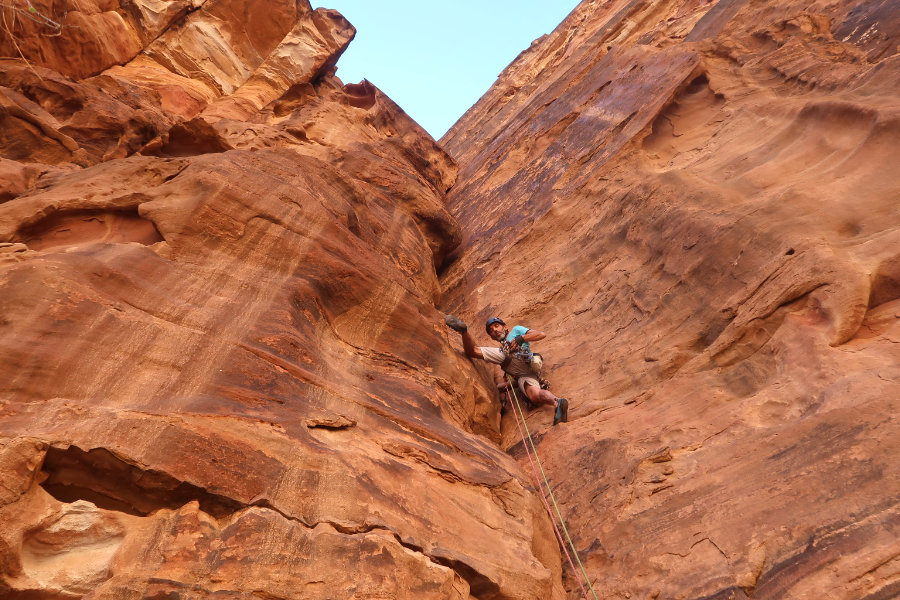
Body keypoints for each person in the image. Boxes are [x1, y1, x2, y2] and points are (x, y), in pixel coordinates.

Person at [445, 314, 568, 425]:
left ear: (505, 327)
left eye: (497, 326)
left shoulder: (516, 330)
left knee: (474, 351)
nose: (495, 331)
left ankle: (464, 331)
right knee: (534, 394)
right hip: (526, 373)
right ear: (492, 338)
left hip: (514, 357)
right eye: (491, 331)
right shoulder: (504, 345)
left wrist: (522, 338)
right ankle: (557, 402)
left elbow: (541, 334)